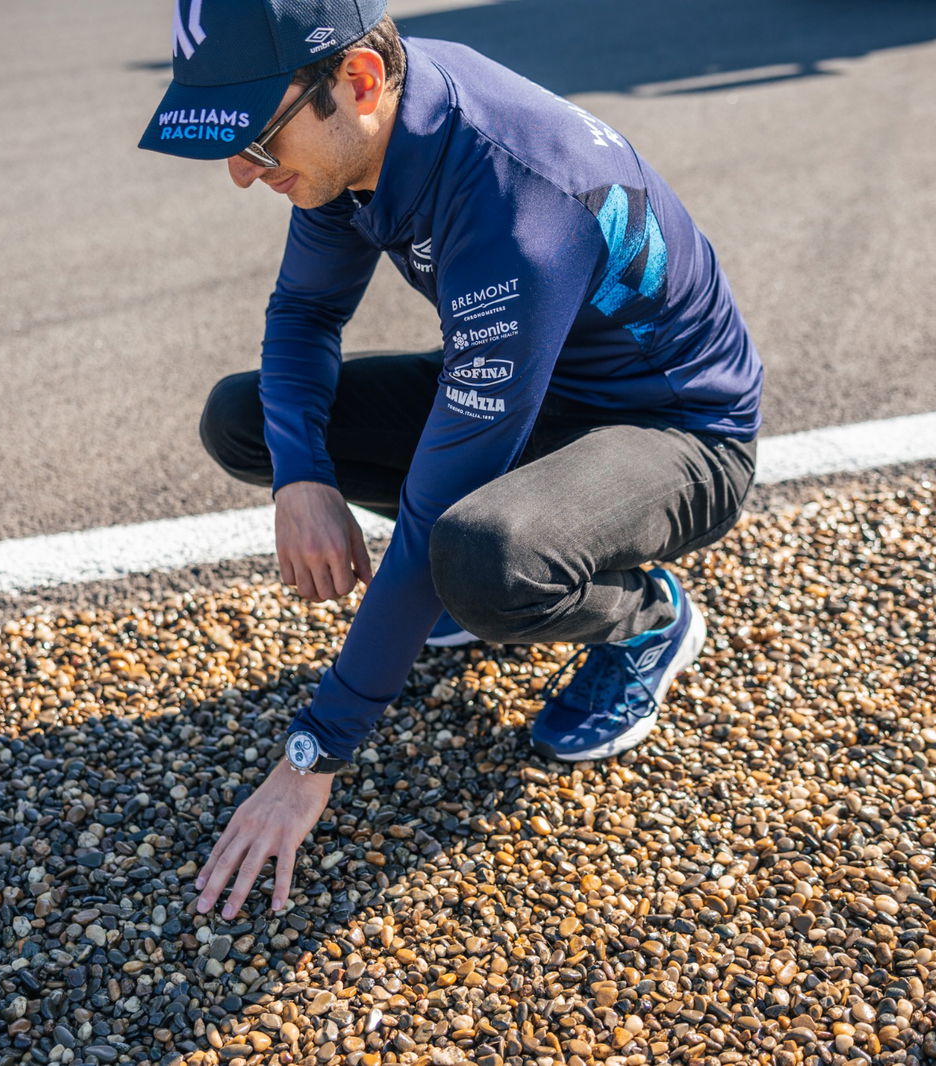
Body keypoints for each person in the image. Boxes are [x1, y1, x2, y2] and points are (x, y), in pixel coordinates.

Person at [139, 0, 762, 921]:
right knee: (249, 422)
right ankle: (485, 572)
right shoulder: (361, 134)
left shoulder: (519, 199)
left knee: (475, 557)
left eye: (258, 143)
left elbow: (438, 510)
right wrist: (303, 474)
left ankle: (643, 618)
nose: (242, 173)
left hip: (676, 430)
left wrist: (314, 754)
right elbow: (305, 315)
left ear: (355, 81)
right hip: (532, 378)